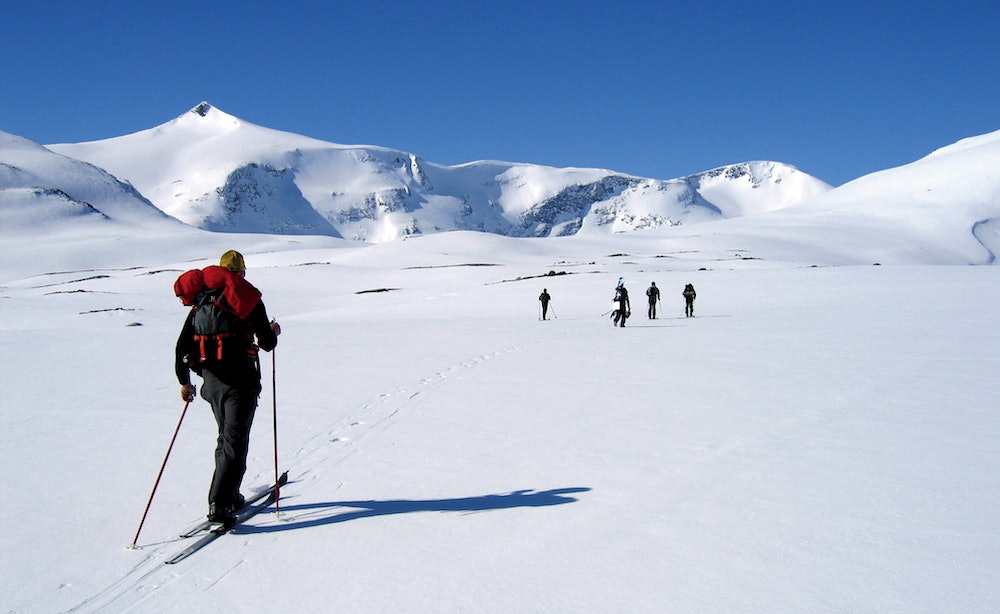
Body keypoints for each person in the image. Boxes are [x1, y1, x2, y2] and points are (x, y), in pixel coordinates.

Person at [174, 250, 281, 526]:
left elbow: (182, 347)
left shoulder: (202, 300)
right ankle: (219, 504)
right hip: (240, 382)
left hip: (210, 383)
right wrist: (273, 331)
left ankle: (229, 495)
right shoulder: (246, 297)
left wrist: (184, 382)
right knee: (234, 442)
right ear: (242, 272)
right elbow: (267, 342)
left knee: (226, 438)